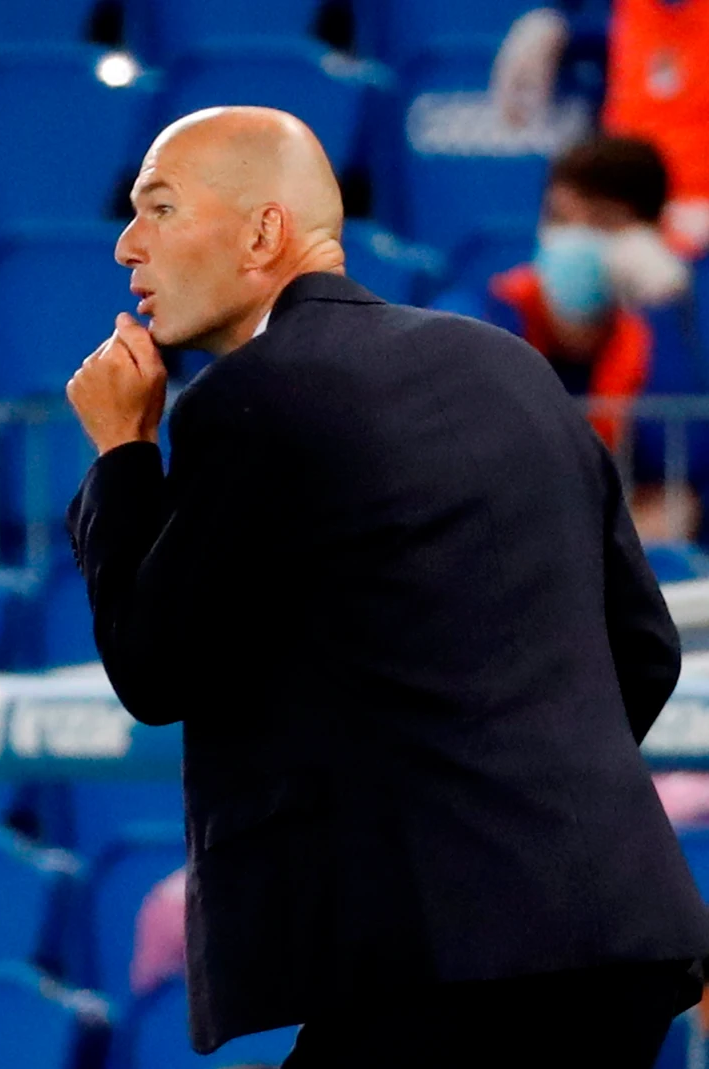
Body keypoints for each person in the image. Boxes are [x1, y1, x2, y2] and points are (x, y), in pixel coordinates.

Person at [65, 106, 709, 1067]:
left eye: (157, 207)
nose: (126, 245)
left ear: (264, 233)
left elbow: (154, 668)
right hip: (620, 931)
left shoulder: (254, 396)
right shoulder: (511, 367)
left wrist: (123, 453)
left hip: (454, 957)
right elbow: (645, 648)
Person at [439, 136, 687, 456]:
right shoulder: (473, 321)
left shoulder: (671, 337)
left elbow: (685, 475)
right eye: (560, 219)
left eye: (602, 221)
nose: (574, 238)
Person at [492, 2, 709, 255]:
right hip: (627, 211)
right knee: (571, 250)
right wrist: (552, 25)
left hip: (695, 214)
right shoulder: (619, 14)